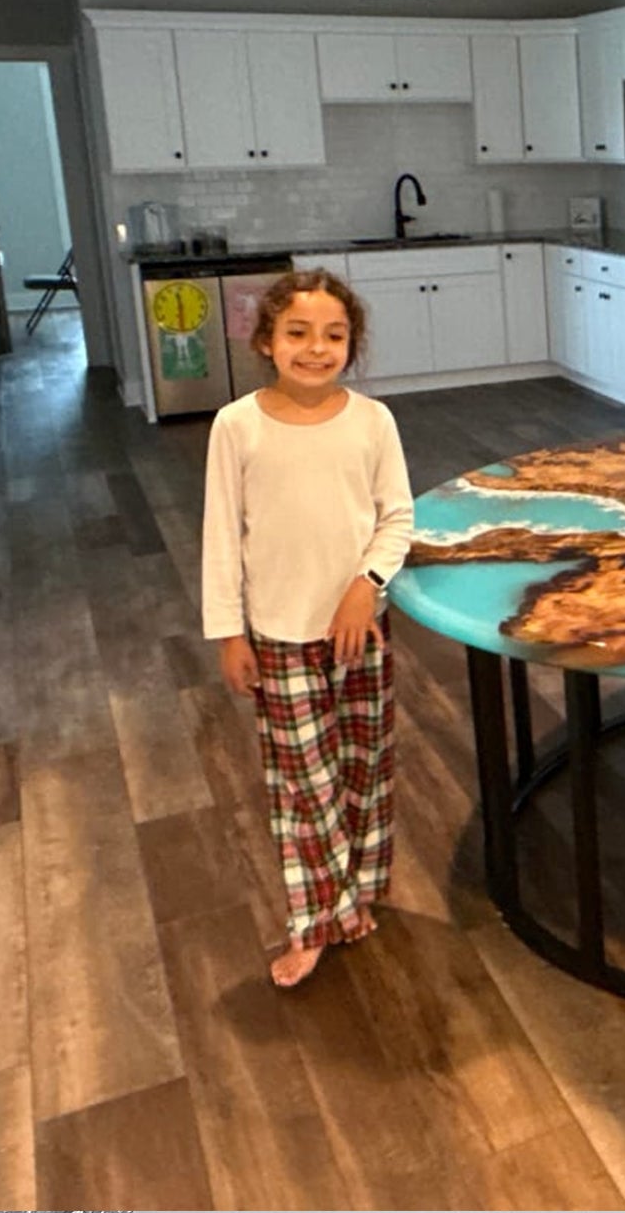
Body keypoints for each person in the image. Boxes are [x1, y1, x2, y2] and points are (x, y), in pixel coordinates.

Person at [201, 269, 414, 988]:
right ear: (267, 341)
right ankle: (318, 918)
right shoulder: (237, 426)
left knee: (361, 772)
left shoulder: (372, 422)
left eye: (333, 335)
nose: (316, 349)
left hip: (362, 634)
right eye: (298, 333)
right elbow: (220, 536)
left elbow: (397, 518)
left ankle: (354, 894)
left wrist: (366, 587)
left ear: (351, 346)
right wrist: (231, 632)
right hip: (278, 636)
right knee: (304, 785)